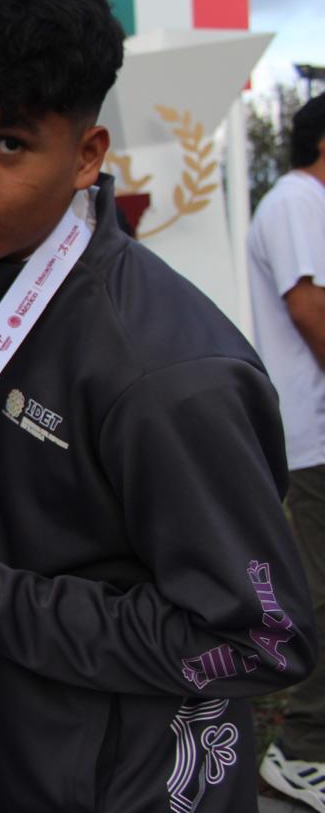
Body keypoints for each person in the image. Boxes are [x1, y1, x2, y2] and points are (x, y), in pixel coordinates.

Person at [0, 0, 317, 812]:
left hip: (136, 786)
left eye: (8, 144)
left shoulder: (166, 375)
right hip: (11, 760)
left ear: (88, 155)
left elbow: (264, 638)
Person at [248, 93, 325, 812]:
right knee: (321, 592)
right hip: (314, 436)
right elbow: (309, 306)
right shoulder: (299, 199)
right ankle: (302, 750)